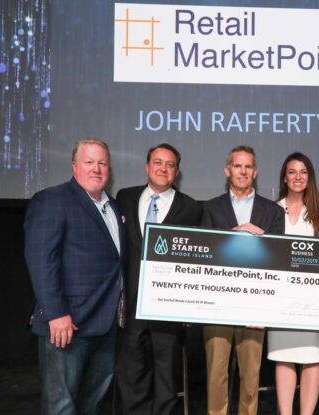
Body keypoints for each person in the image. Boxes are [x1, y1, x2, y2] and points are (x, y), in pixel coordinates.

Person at [24, 138, 126, 415]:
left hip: (105, 327)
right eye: (89, 162)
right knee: (61, 406)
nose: (96, 169)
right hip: (67, 324)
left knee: (92, 404)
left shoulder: (113, 208)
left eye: (102, 163)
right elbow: (41, 260)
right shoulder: (53, 200)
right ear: (74, 166)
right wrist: (56, 313)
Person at [114, 143, 202, 414]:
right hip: (131, 304)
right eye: (158, 162)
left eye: (170, 164)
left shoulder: (190, 207)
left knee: (166, 374)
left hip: (168, 306)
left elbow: (196, 259)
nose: (163, 168)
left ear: (176, 172)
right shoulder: (124, 198)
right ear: (147, 167)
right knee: (132, 372)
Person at [200, 145, 285, 415]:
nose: (243, 171)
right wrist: (235, 234)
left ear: (255, 172)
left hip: (255, 306)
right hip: (218, 304)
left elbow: (277, 259)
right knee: (216, 375)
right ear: (228, 170)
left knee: (251, 378)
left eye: (248, 166)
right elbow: (205, 255)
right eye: (238, 166)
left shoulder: (272, 211)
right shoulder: (211, 208)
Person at [267, 152, 319, 415]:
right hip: (280, 298)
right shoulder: (272, 209)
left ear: (310, 177)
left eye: (303, 172)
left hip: (312, 300)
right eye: (292, 171)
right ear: (284, 176)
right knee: (283, 356)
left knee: (311, 358)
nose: (297, 177)